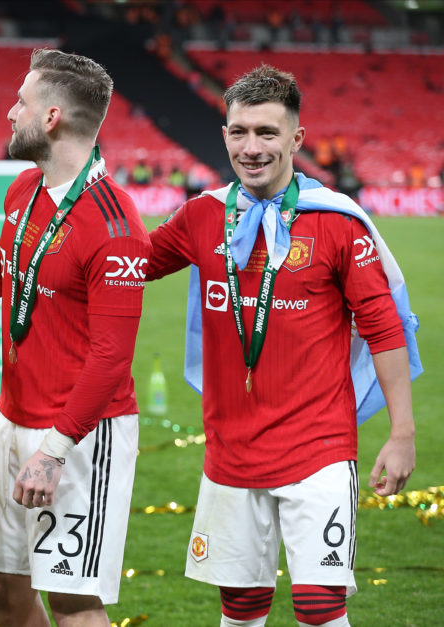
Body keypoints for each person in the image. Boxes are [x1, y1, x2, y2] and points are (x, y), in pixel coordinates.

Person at [147, 64, 417, 627]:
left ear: (295, 139)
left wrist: (401, 433)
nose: (251, 147)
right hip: (230, 450)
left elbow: (384, 327)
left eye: (267, 133)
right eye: (239, 132)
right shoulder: (202, 216)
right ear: (224, 134)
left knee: (320, 607)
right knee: (241, 608)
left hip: (316, 447)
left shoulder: (338, 223)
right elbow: (129, 266)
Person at [0, 49, 151, 626]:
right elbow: (2, 273)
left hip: (79, 437)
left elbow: (112, 355)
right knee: (3, 584)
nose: (9, 114)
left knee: (71, 600)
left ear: (51, 117)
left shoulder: (115, 223)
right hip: (13, 415)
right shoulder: (26, 189)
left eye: (20, 102)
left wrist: (54, 451)